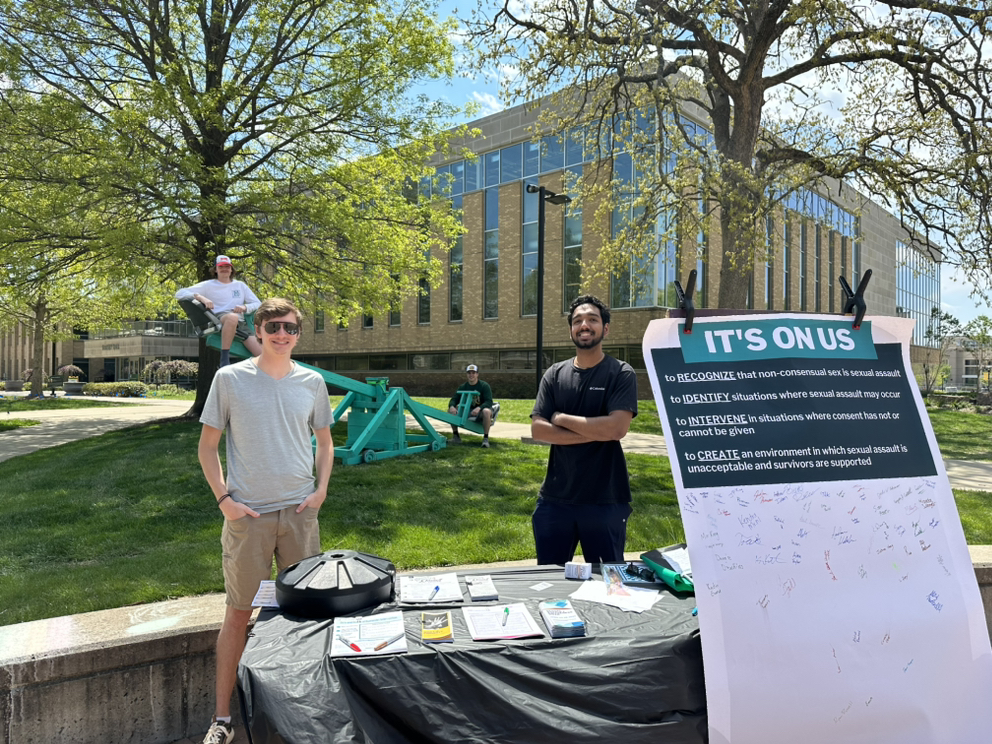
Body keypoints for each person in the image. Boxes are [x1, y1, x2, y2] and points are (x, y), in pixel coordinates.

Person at [197, 297, 333, 744]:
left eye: (290, 328)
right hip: (248, 516)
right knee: (239, 614)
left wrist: (320, 491)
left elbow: (325, 441)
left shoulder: (311, 382)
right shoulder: (230, 379)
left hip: (298, 514)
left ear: (298, 333)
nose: (282, 335)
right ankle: (222, 720)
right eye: (274, 326)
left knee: (305, 612)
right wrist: (225, 500)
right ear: (259, 329)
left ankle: (306, 714)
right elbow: (207, 447)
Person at [530, 295, 638, 565]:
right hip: (556, 499)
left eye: (592, 319)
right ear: (571, 330)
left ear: (606, 328)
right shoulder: (554, 375)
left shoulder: (621, 373)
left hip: (605, 500)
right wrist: (595, 430)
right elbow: (539, 431)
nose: (584, 325)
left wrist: (561, 417)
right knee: (548, 583)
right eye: (577, 320)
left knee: (609, 584)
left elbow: (616, 428)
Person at [176, 255, 263, 366]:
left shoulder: (240, 286)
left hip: (241, 324)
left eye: (227, 266)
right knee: (232, 317)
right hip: (220, 318)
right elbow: (180, 293)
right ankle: (224, 360)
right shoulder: (208, 285)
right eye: (221, 267)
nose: (224, 269)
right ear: (216, 269)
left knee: (263, 357)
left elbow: (257, 303)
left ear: (231, 269)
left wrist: (245, 307)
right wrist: (201, 297)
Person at [447, 364, 494, 448]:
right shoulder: (463, 387)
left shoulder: (484, 386)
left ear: (477, 374)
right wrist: (451, 406)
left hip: (481, 411)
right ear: (467, 374)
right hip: (468, 411)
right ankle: (456, 436)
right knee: (452, 410)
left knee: (486, 411)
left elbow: (489, 401)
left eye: (473, 372)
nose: (471, 375)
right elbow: (454, 399)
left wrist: (479, 408)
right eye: (469, 373)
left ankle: (485, 439)